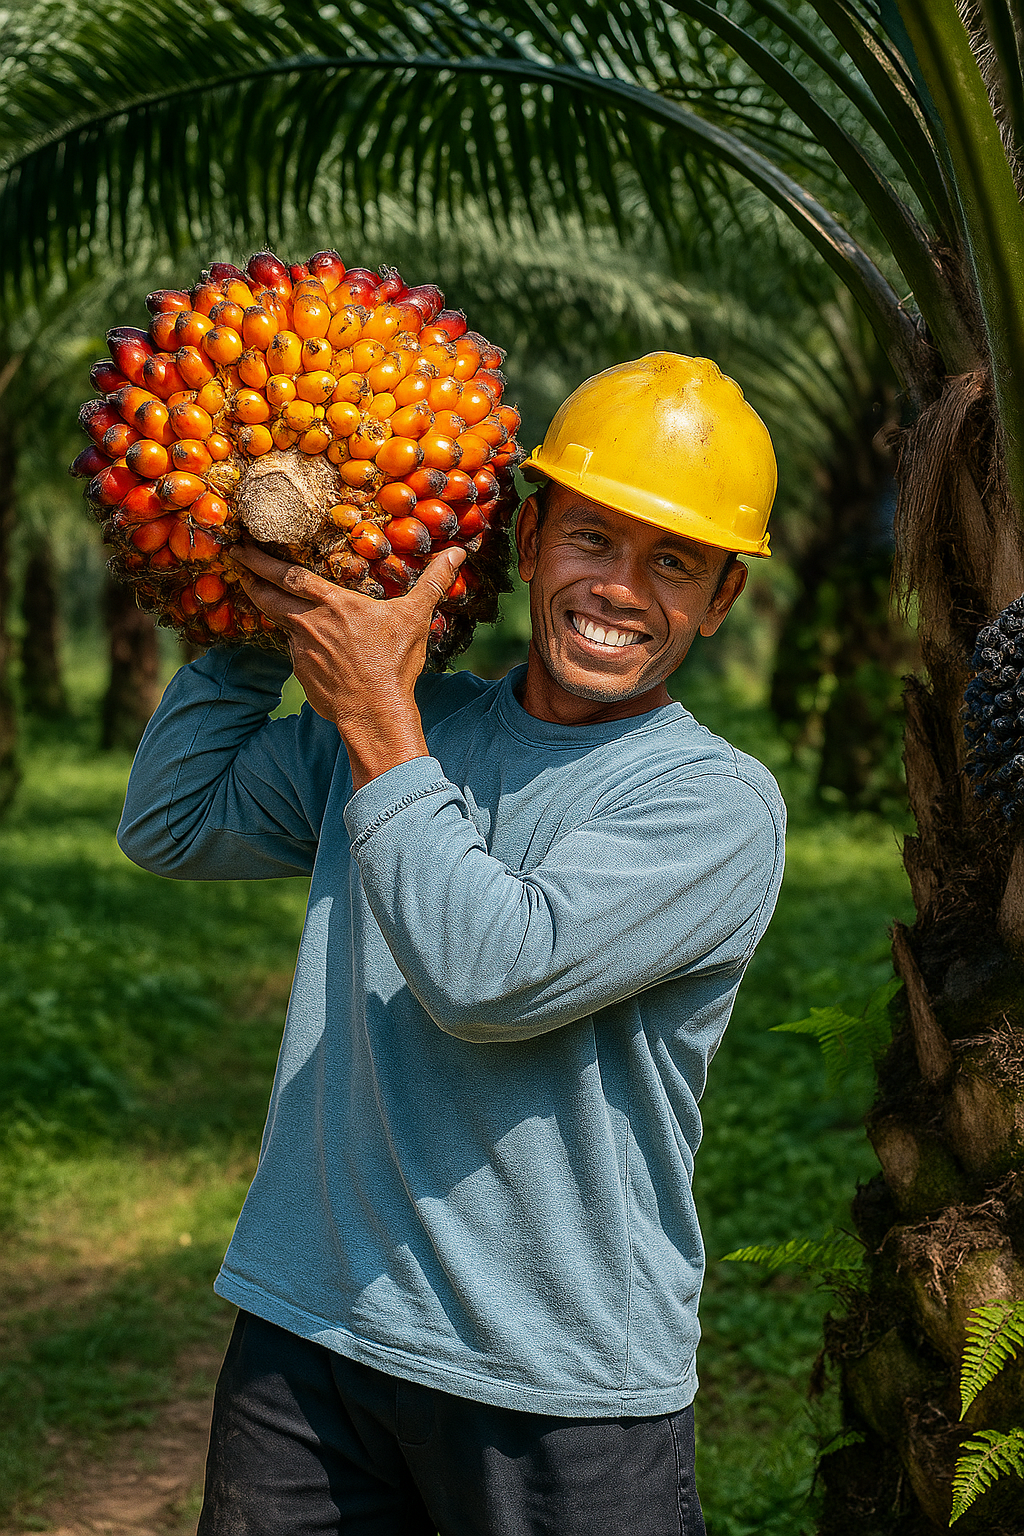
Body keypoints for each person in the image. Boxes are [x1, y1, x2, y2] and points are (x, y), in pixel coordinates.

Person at [117, 353, 786, 1536]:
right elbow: (173, 819)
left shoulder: (712, 804)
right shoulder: (422, 723)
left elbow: (488, 975)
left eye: (673, 561)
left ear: (722, 598)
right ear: (525, 541)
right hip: (310, 1331)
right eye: (591, 539)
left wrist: (374, 710)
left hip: (552, 1382)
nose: (619, 588)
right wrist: (278, 594)